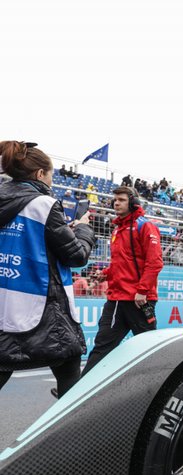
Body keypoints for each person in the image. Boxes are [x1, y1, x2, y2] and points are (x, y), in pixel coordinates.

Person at [0, 141, 95, 397]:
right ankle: (72, 432)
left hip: (5, 301)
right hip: (39, 304)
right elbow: (76, 256)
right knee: (69, 365)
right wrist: (84, 229)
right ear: (40, 174)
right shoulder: (43, 204)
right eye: (51, 174)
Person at [81, 186, 163, 376]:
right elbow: (121, 264)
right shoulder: (118, 229)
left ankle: (159, 389)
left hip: (138, 300)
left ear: (133, 203)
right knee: (103, 345)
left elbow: (155, 262)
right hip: (118, 298)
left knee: (149, 349)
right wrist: (106, 273)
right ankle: (79, 390)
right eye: (114, 200)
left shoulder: (145, 226)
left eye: (121, 200)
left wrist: (142, 290)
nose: (116, 203)